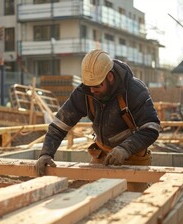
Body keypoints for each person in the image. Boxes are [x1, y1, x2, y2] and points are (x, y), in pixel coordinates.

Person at [35, 49, 161, 191]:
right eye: (89, 86)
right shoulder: (85, 92)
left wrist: (125, 149)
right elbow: (59, 125)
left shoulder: (134, 91)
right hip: (102, 156)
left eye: (97, 86)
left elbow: (152, 128)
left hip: (133, 157)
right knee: (94, 200)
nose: (92, 90)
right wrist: (46, 153)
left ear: (110, 77)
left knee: (133, 203)